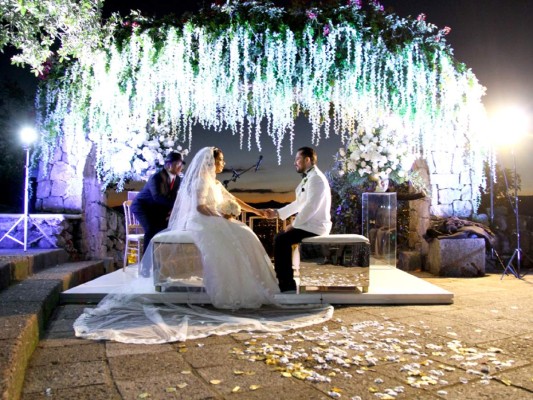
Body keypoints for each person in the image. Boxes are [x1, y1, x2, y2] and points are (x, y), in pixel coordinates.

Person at [161, 146, 280, 309]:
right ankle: (232, 285)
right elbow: (200, 207)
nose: (224, 163)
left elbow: (234, 199)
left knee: (246, 233)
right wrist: (221, 217)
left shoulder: (215, 182)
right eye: (221, 160)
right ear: (212, 162)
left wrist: (257, 212)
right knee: (238, 236)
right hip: (201, 220)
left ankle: (249, 281)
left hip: (214, 217)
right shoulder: (200, 180)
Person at [265, 147, 332, 292]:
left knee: (281, 240)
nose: (295, 163)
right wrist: (277, 213)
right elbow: (299, 203)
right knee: (280, 238)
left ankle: (286, 284)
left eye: (297, 159)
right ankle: (285, 282)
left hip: (315, 227)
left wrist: (293, 225)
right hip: (309, 225)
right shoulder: (310, 178)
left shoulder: (316, 179)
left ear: (307, 160)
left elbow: (310, 207)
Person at [131, 152, 185, 253]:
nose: (181, 167)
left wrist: (178, 208)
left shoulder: (177, 179)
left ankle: (161, 260)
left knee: (167, 228)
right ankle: (146, 264)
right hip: (142, 206)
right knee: (151, 230)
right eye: (178, 164)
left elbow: (173, 197)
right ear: (169, 164)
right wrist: (176, 206)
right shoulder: (157, 177)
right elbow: (157, 197)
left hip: (156, 209)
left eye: (182, 164)